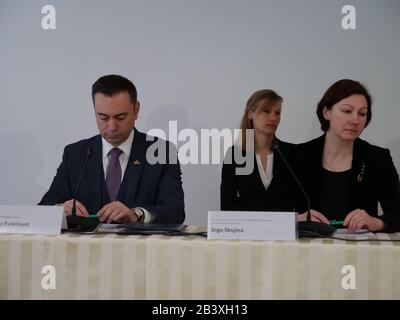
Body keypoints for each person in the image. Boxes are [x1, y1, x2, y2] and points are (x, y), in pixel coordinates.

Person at [39, 74, 185, 224]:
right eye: (103, 117)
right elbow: (43, 208)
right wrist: (60, 209)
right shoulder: (75, 154)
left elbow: (175, 211)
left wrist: (137, 214)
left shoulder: (161, 151)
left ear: (136, 110)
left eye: (121, 117)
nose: (112, 127)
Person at [295, 79, 400, 232]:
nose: (355, 120)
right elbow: (270, 210)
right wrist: (295, 219)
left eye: (362, 113)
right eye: (347, 111)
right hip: (305, 250)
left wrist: (376, 222)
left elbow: (397, 213)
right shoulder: (298, 156)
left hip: (359, 251)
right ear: (326, 112)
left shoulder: (377, 158)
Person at [220, 89, 296, 211]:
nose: (273, 118)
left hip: (285, 229)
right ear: (250, 114)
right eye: (267, 111)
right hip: (247, 229)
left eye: (277, 113)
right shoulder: (235, 155)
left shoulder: (290, 153)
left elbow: (297, 201)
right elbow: (227, 206)